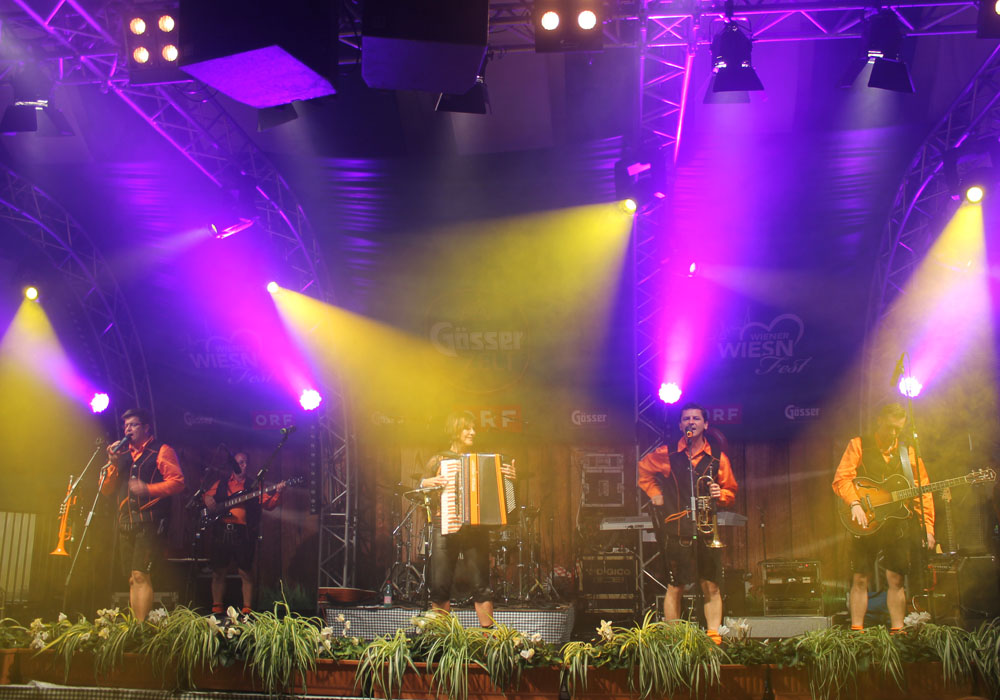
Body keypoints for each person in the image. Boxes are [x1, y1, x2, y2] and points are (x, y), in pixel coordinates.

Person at [638, 402, 738, 644]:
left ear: (705, 424)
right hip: (677, 529)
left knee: (711, 586)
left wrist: (720, 494)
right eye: (686, 419)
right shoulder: (667, 453)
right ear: (680, 425)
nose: (690, 422)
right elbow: (643, 470)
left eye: (695, 418)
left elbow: (730, 492)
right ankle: (674, 640)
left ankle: (713, 639)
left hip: (706, 530)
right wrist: (655, 494)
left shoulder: (718, 458)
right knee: (676, 586)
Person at [832, 402, 935, 632]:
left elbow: (923, 492)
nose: (893, 433)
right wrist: (855, 503)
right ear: (879, 421)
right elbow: (842, 478)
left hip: (897, 524)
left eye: (898, 429)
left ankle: (898, 631)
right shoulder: (859, 444)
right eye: (889, 427)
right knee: (860, 577)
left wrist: (928, 528)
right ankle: (856, 631)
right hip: (866, 519)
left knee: (896, 578)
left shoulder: (908, 452)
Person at [420, 411, 514, 627]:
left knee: (482, 586)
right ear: (455, 431)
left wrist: (510, 481)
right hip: (445, 524)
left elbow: (506, 492)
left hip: (475, 528)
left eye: (473, 428)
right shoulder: (439, 459)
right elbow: (421, 484)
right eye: (467, 428)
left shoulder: (484, 461)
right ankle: (442, 638)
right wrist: (428, 482)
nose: (472, 432)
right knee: (440, 586)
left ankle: (488, 638)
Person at [101, 408, 184, 621]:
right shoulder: (121, 455)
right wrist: (112, 463)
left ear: (146, 428)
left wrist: (148, 489)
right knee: (132, 578)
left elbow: (177, 482)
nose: (128, 429)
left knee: (140, 574)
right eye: (126, 425)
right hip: (126, 521)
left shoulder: (161, 450)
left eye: (133, 425)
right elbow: (106, 489)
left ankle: (140, 626)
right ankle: (136, 624)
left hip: (150, 521)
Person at [202, 451, 286, 615]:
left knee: (245, 571)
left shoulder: (253, 486)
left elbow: (268, 504)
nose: (244, 465)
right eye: (241, 462)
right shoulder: (221, 483)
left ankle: (247, 610)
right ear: (233, 464)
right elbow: (207, 496)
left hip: (243, 534)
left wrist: (278, 491)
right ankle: (217, 607)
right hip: (221, 531)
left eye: (246, 462)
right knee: (218, 571)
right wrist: (207, 498)